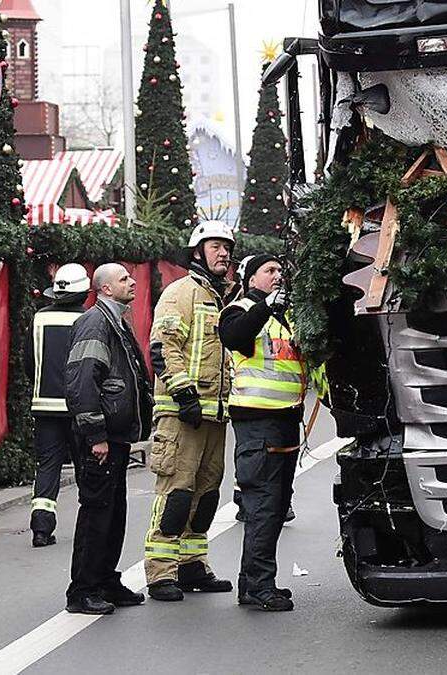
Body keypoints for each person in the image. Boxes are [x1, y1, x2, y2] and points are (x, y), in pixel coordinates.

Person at [143, 221, 236, 602]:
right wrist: (184, 396)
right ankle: (160, 572)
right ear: (197, 251)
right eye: (215, 246)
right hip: (182, 413)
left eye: (227, 247)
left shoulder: (223, 297)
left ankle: (192, 564)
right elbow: (163, 347)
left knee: (206, 494)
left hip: (216, 414)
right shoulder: (180, 293)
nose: (224, 254)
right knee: (176, 493)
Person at [219, 253, 317, 612]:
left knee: (275, 507)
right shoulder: (239, 309)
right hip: (257, 422)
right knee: (262, 505)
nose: (278, 276)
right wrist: (265, 308)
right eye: (269, 271)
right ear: (250, 278)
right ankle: (260, 586)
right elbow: (234, 336)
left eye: (280, 270)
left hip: (286, 420)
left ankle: (254, 583)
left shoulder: (285, 317)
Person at [63, 263, 153, 615]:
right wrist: (95, 435)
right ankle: (82, 589)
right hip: (100, 439)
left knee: (114, 512)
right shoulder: (95, 323)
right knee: (97, 512)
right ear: (104, 289)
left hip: (115, 436)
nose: (132, 282)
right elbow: (83, 381)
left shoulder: (116, 321)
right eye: (123, 279)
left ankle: (105, 580)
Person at [26, 263, 90, 548]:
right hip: (81, 408)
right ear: (85, 292)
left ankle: (41, 528)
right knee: (85, 468)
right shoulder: (90, 320)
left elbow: (30, 363)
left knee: (48, 465)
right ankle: (91, 527)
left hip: (45, 407)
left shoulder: (39, 319)